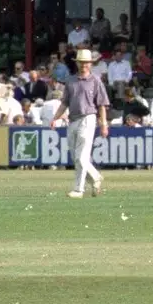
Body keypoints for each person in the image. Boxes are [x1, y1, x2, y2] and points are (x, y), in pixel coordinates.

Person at [50, 48, 110, 198]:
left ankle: (79, 189)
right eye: (81, 62)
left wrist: (103, 125)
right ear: (78, 63)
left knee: (81, 157)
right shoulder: (70, 80)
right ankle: (95, 176)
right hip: (73, 120)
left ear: (91, 64)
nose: (84, 65)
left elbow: (102, 104)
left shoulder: (96, 80)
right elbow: (65, 103)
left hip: (88, 118)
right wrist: (55, 117)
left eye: (86, 62)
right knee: (76, 157)